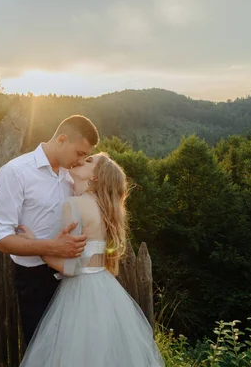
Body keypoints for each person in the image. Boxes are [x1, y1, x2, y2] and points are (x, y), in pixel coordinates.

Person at [17, 152, 164, 366]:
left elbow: (71, 268)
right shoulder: (105, 209)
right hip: (104, 290)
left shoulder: (74, 204)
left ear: (95, 176)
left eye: (88, 161)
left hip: (79, 294)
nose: (79, 161)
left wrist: (36, 246)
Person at [0, 115, 99, 344]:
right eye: (79, 153)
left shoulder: (73, 177)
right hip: (34, 280)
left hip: (72, 277)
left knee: (71, 348)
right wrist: (51, 247)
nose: (81, 161)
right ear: (62, 139)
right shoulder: (15, 172)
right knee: (41, 348)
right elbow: (1, 239)